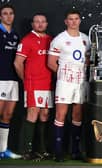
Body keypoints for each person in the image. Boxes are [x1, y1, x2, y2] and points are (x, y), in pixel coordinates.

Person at [48, 9, 90, 161]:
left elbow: (88, 60)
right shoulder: (59, 39)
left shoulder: (86, 39)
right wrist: (66, 74)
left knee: (78, 115)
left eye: (76, 19)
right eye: (70, 19)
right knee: (60, 114)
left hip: (81, 82)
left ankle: (75, 150)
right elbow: (51, 63)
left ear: (80, 20)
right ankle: (58, 152)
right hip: (65, 82)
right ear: (66, 21)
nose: (73, 21)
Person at [14, 13, 53, 160]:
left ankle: (42, 150)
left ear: (47, 24)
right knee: (33, 113)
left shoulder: (51, 40)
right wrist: (26, 79)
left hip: (48, 83)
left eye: (43, 21)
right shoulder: (27, 40)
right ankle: (27, 150)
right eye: (37, 22)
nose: (40, 24)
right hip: (33, 83)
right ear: (32, 24)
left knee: (45, 115)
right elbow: (17, 63)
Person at [0, 4, 21, 159]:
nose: (8, 16)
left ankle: (3, 149)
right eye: (5, 13)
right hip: (0, 79)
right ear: (0, 16)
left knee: (8, 115)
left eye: (11, 13)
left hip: (13, 80)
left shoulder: (15, 35)